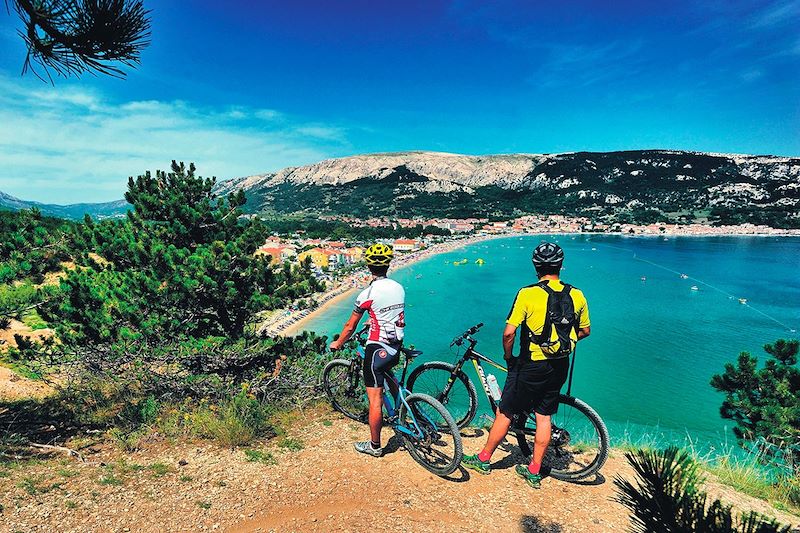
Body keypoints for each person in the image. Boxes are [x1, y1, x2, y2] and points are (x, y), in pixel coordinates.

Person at [461, 242, 591, 488]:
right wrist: (563, 341)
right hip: (560, 364)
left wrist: (509, 358)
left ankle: (484, 458)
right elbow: (585, 330)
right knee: (544, 417)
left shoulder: (528, 293)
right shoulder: (577, 294)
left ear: (536, 266)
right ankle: (533, 470)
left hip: (531, 364)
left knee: (506, 411)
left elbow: (509, 333)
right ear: (561, 266)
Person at [329, 243, 405, 458]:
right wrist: (373, 321)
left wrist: (338, 343)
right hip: (395, 345)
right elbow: (388, 314)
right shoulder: (398, 287)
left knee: (375, 400)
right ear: (388, 264)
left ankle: (374, 446)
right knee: (390, 380)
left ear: (368, 266)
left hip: (377, 349)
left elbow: (349, 326)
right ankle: (402, 411)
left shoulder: (367, 294)